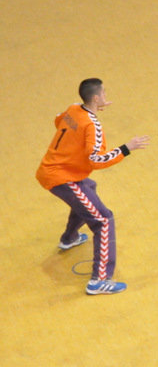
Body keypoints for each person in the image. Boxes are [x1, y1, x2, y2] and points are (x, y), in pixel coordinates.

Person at [36, 79, 150, 295]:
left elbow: (59, 121)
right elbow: (96, 160)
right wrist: (126, 148)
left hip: (51, 169)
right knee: (103, 219)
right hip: (63, 178)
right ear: (96, 98)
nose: (106, 94)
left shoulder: (73, 109)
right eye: (104, 92)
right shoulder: (93, 126)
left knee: (89, 188)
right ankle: (99, 280)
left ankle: (69, 238)